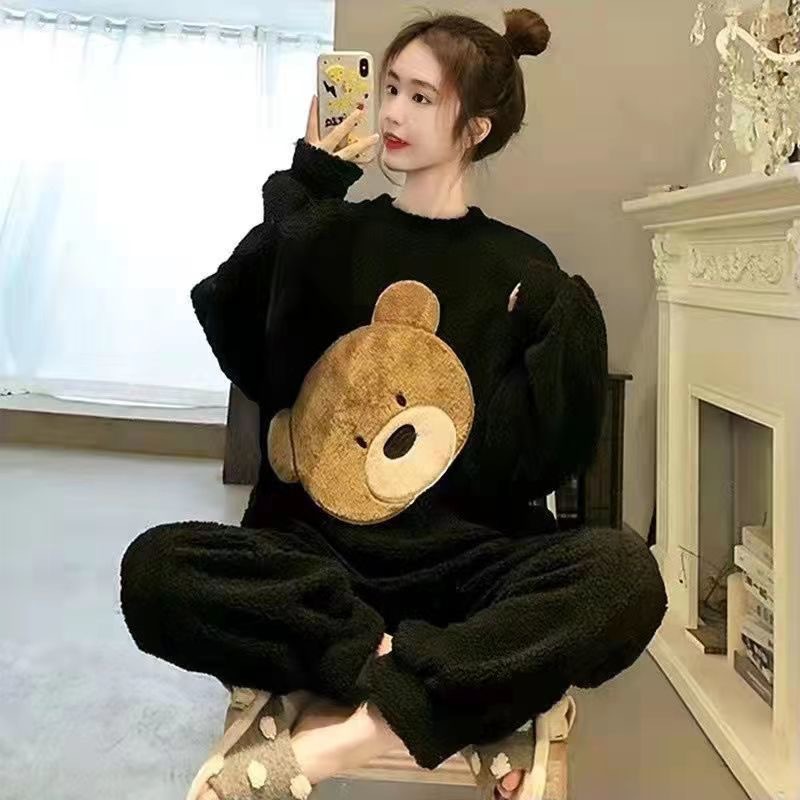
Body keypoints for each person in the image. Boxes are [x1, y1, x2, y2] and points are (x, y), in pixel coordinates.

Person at [119, 8, 667, 800]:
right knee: (155, 573)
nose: (393, 113)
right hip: (321, 563)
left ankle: (356, 734)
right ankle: (441, 692)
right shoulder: (332, 229)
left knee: (625, 577)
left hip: (464, 567)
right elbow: (246, 347)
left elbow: (531, 465)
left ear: (475, 129)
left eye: (421, 97)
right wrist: (306, 186)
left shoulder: (519, 266)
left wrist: (564, 321)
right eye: (391, 89)